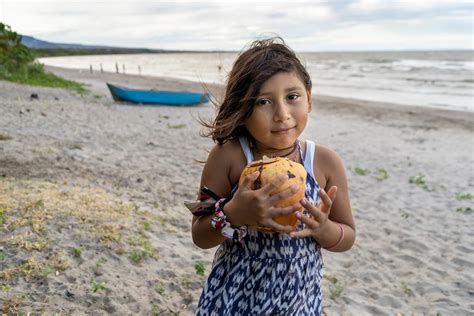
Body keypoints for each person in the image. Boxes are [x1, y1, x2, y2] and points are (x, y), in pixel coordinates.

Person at [188, 37, 355, 315]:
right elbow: (199, 235)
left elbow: (348, 235)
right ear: (242, 110)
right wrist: (233, 213)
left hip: (297, 301)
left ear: (309, 99)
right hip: (235, 297)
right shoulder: (230, 156)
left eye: (292, 97)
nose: (282, 114)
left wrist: (324, 230)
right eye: (264, 101)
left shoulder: (324, 162)